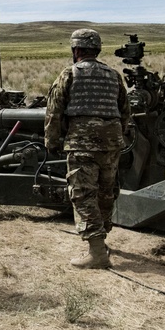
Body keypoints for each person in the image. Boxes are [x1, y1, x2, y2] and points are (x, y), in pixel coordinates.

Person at [45, 28, 131, 269]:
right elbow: (125, 111)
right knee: (106, 191)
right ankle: (101, 241)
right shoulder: (113, 75)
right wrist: (118, 136)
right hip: (111, 144)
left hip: (82, 144)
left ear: (77, 50)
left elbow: (54, 112)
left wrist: (51, 142)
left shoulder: (69, 74)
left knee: (83, 195)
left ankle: (97, 252)